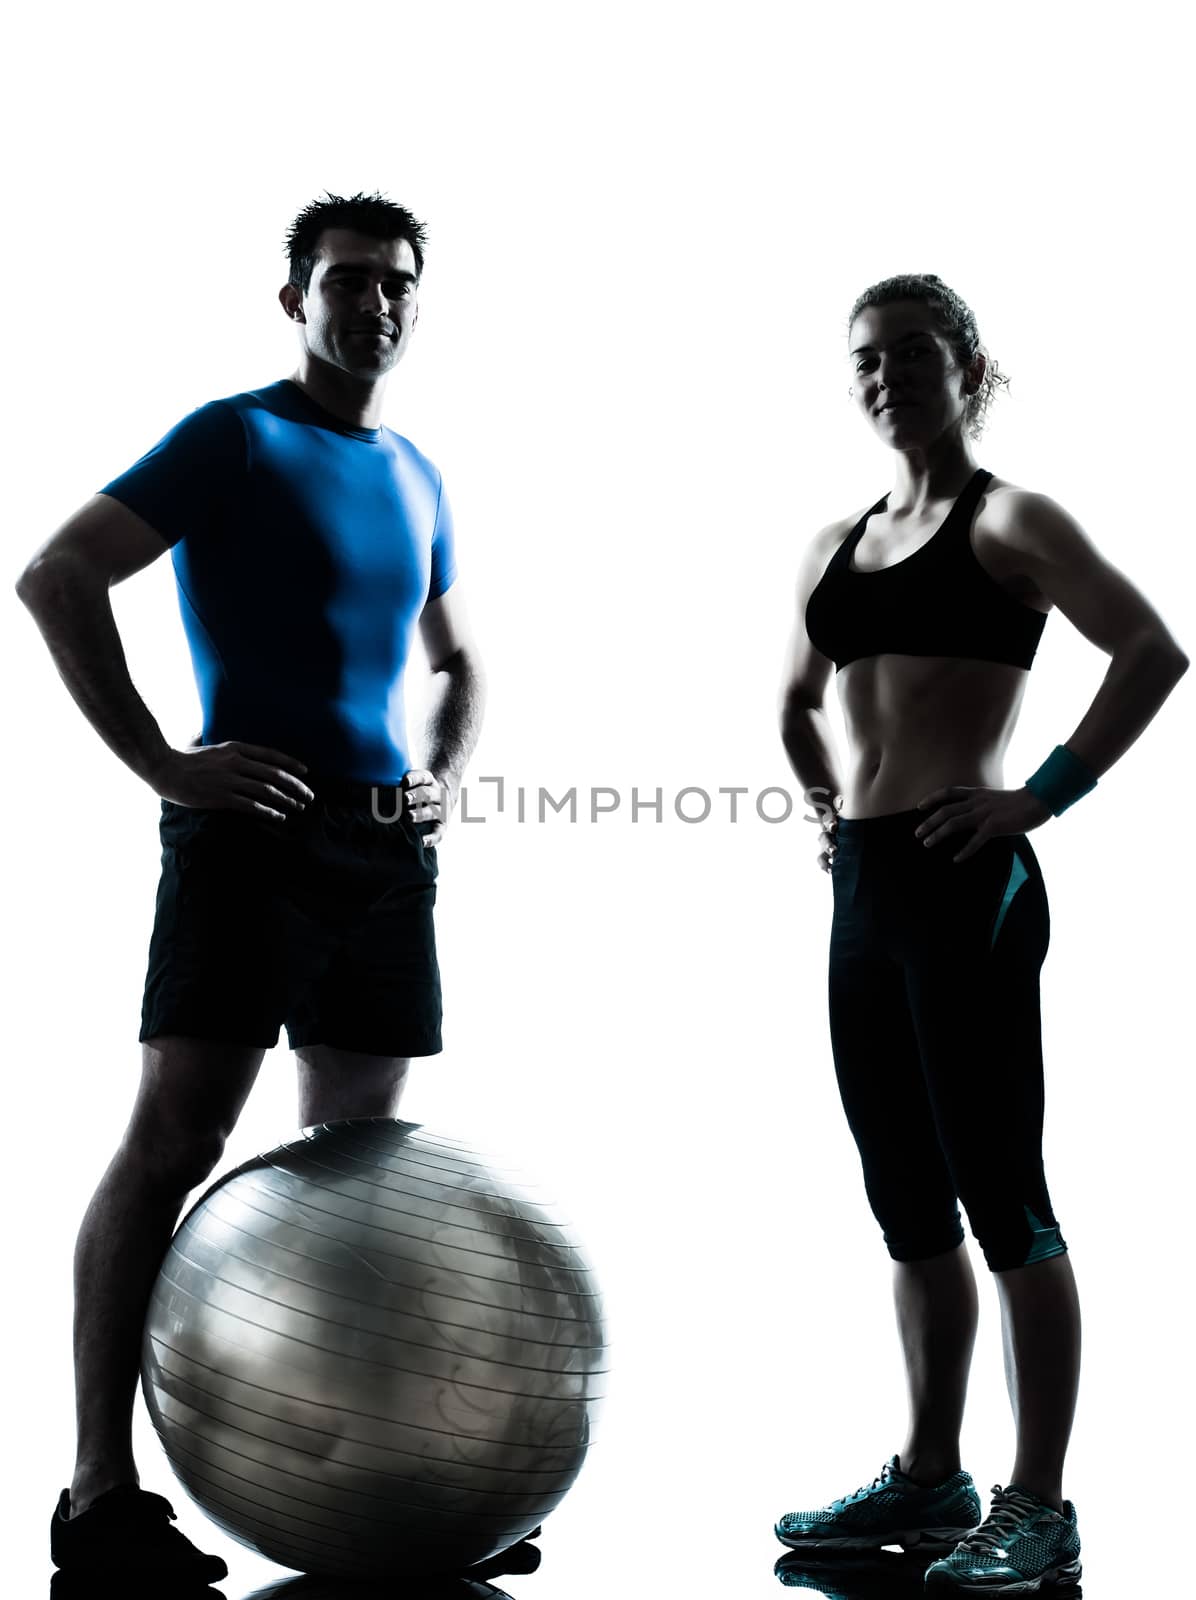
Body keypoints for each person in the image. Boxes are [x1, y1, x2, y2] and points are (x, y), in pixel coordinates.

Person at [18, 190, 487, 1583]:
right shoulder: (234, 437)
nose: (375, 304)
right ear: (295, 298)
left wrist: (439, 780)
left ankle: (373, 1482)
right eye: (347, 281)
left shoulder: (416, 469)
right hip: (251, 840)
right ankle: (99, 1495)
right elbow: (57, 576)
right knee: (174, 1144)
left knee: (353, 1178)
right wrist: (163, 761)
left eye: (397, 283)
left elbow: (457, 657)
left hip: (378, 851)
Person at [773, 273, 1187, 1593]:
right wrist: (831, 809)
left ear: (964, 364)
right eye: (865, 359)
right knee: (906, 1207)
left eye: (909, 352)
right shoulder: (832, 545)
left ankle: (1040, 1502)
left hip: (970, 887)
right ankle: (931, 1473)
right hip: (867, 894)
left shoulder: (1012, 521)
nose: (885, 374)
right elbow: (795, 702)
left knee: (1005, 1202)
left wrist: (1037, 800)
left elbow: (1151, 650)